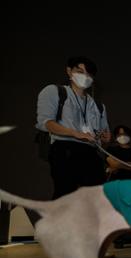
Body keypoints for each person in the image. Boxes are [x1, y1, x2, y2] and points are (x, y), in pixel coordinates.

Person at [36, 56, 111, 199]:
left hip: (90, 151)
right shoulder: (55, 92)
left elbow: (103, 133)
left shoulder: (98, 105)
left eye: (89, 74)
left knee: (98, 195)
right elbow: (46, 123)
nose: (85, 76)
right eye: (80, 71)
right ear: (69, 71)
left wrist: (105, 136)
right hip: (64, 148)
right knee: (65, 193)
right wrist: (74, 133)